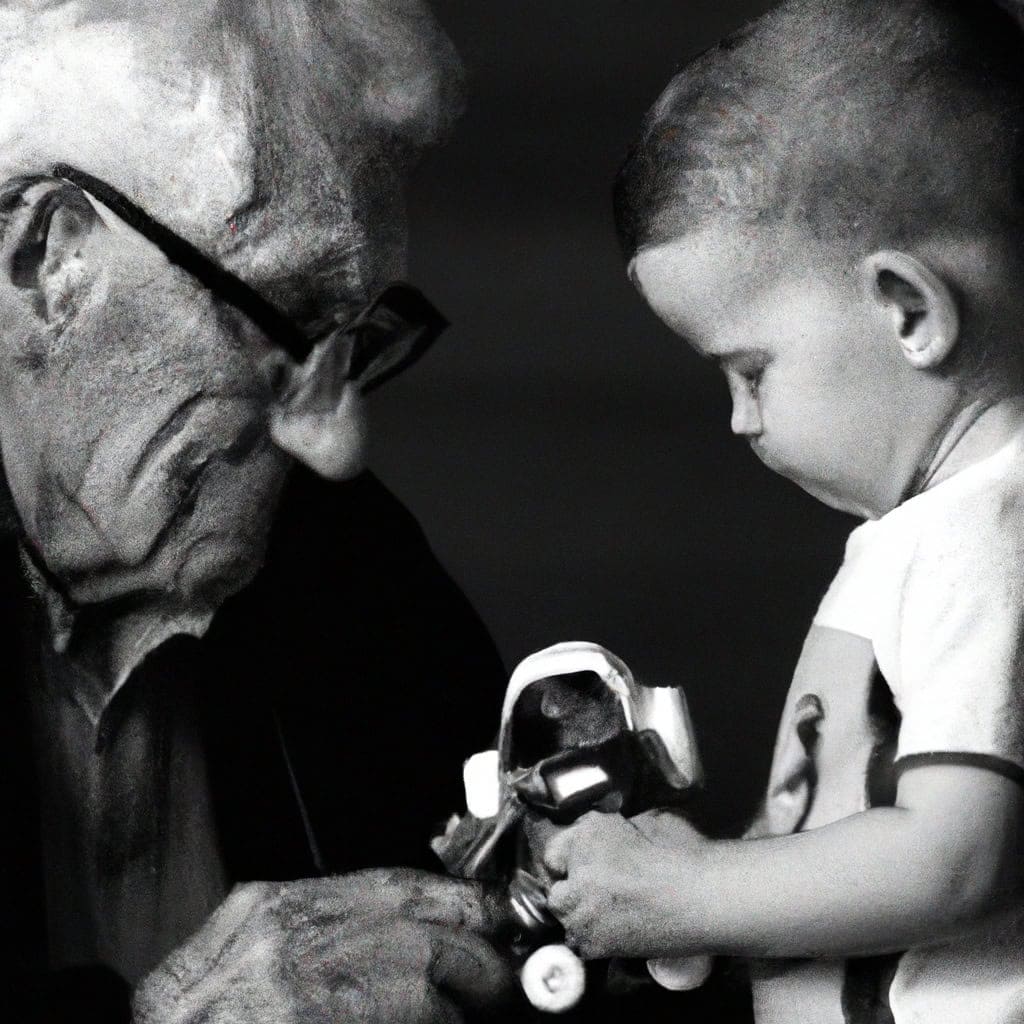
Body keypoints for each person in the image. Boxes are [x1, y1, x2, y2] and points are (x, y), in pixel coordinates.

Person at [0, 2, 518, 1021]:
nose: (337, 442)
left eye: (358, 338)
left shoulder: (353, 565)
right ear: (51, 264)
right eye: (286, 318)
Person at [540, 1, 1024, 1021]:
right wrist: (716, 888)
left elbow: (956, 858)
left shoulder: (985, 541)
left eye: (749, 369)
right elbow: (864, 827)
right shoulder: (928, 536)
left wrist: (687, 894)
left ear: (907, 310)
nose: (738, 420)